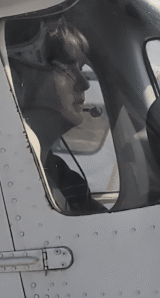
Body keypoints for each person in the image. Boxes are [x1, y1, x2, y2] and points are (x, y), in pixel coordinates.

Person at [7, 17, 107, 215]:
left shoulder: (63, 177)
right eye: (67, 68)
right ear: (16, 82)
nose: (83, 83)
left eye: (80, 69)